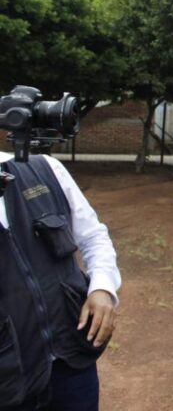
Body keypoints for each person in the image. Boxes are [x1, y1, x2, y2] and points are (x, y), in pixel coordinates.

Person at [0, 151, 120, 410]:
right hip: (9, 376)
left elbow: (93, 237)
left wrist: (102, 288)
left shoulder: (44, 169)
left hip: (71, 363)